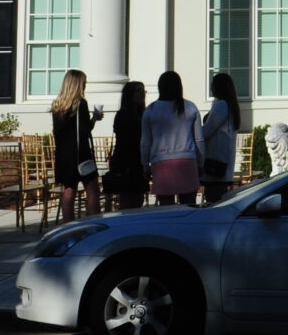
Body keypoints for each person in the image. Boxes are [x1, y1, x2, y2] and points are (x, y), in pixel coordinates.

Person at [141, 70, 203, 206]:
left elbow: (146, 142)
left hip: (161, 162)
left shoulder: (151, 110)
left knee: (166, 209)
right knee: (189, 207)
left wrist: (145, 164)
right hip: (187, 160)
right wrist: (201, 162)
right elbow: (199, 139)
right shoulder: (190, 107)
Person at [49, 69, 102, 221]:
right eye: (84, 83)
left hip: (64, 155)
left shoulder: (58, 105)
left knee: (69, 190)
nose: (85, 86)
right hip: (81, 154)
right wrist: (95, 118)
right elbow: (85, 130)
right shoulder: (80, 104)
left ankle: (68, 225)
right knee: (92, 190)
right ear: (78, 84)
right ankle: (94, 222)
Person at [102, 80, 148, 210]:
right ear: (130, 94)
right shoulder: (123, 114)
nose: (143, 94)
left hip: (138, 161)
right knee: (129, 199)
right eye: (139, 91)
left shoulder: (142, 114)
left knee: (138, 198)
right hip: (127, 162)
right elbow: (125, 141)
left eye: (143, 91)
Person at [201, 73, 241, 204]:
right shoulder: (229, 105)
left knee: (213, 199)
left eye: (213, 83)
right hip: (222, 164)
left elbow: (206, 131)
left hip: (215, 164)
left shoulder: (221, 105)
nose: (211, 86)